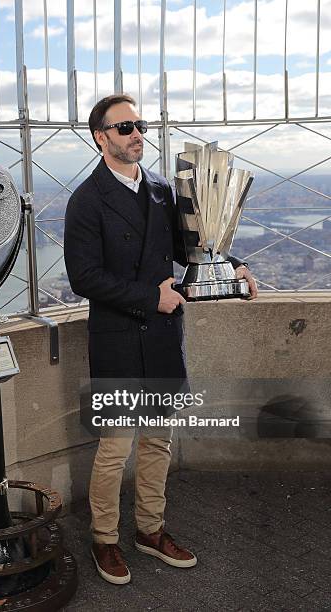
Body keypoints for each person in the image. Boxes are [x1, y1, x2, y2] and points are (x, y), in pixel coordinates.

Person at [64, 94, 258, 585]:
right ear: (100, 137)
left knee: (158, 441)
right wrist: (150, 299)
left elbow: (188, 247)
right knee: (115, 447)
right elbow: (83, 277)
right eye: (125, 127)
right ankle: (104, 539)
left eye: (140, 125)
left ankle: (150, 531)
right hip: (120, 335)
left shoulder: (159, 189)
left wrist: (231, 266)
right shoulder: (86, 200)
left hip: (164, 335)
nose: (137, 134)